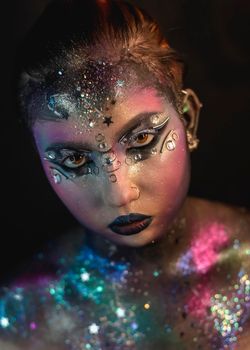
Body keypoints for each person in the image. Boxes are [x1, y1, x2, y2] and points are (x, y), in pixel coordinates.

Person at [1, 0, 250, 349]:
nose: (120, 194)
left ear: (188, 118)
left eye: (142, 140)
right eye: (74, 161)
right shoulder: (21, 316)